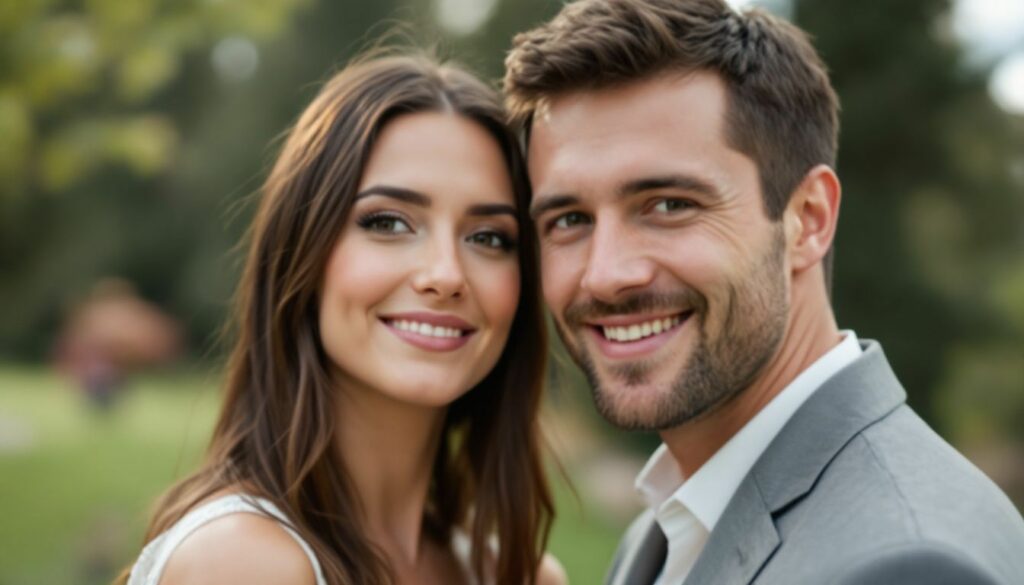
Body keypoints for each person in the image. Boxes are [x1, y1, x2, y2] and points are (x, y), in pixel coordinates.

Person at [503, 0, 1024, 583]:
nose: (605, 274)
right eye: (569, 219)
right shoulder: (665, 532)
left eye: (669, 206)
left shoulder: (908, 564)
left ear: (809, 219)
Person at [121, 52, 566, 585]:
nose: (447, 275)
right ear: (302, 252)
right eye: (388, 222)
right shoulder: (244, 563)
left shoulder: (518, 576)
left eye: (488, 237)